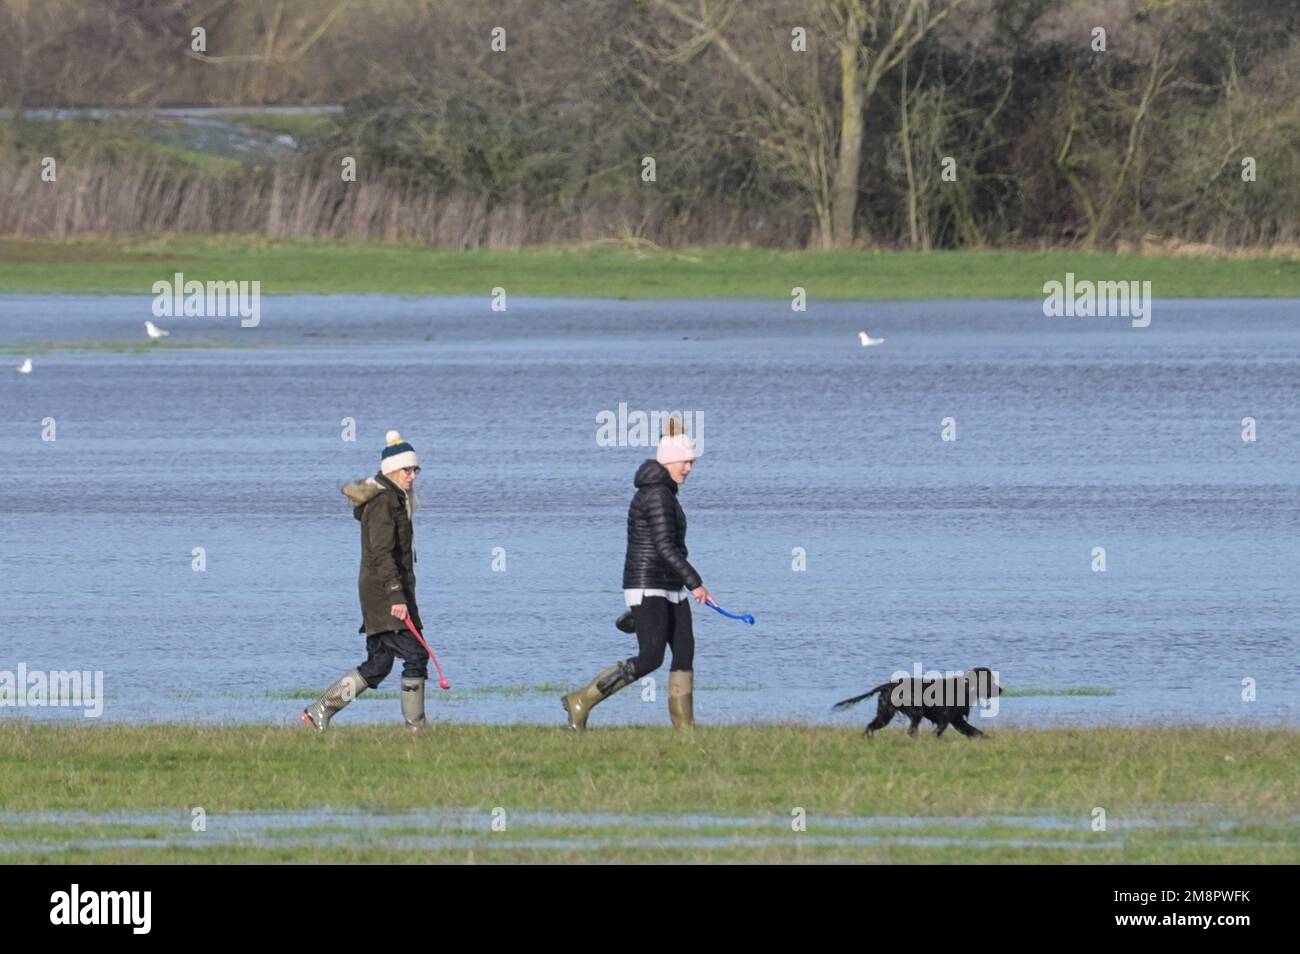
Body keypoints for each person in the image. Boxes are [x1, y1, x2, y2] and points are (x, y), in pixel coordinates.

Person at [562, 418, 713, 731]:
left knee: (684, 651)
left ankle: (685, 728)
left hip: (669, 584)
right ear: (670, 461)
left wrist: (685, 583)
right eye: (685, 462)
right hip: (647, 584)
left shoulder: (666, 493)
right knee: (651, 657)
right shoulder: (657, 495)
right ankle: (582, 700)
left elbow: (670, 548)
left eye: (692, 463)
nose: (689, 469)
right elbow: (663, 546)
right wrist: (695, 583)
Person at [302, 430, 428, 731]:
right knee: (416, 654)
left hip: (384, 592)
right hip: (383, 595)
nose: (413, 476)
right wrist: (397, 597)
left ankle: (320, 710)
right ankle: (416, 729)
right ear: (391, 471)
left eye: (415, 469)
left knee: (378, 665)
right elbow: (382, 555)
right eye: (407, 470)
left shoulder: (396, 498)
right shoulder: (384, 503)